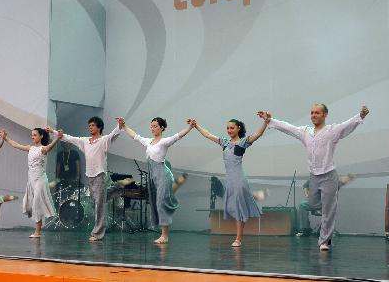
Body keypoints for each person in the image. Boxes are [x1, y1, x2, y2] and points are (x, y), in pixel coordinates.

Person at [259, 104, 369, 251]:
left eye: (317, 113)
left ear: (325, 115)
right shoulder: (306, 132)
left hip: (329, 174)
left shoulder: (332, 131)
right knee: (311, 204)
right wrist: (270, 120)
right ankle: (335, 191)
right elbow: (289, 128)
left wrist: (360, 116)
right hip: (314, 177)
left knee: (328, 210)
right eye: (311, 113)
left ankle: (324, 241)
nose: (313, 115)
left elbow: (346, 126)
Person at [190, 117, 269, 247]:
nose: (229, 130)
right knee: (233, 208)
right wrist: (196, 126)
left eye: (232, 128)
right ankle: (239, 235)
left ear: (238, 128)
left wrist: (266, 121)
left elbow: (258, 134)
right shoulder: (225, 142)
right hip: (230, 180)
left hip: (239, 179)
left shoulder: (243, 142)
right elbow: (208, 135)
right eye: (228, 128)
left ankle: (238, 238)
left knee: (238, 208)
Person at [118, 117, 192, 244]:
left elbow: (178, 135)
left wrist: (190, 127)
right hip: (153, 176)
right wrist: (123, 126)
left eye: (155, 126)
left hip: (163, 175)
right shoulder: (148, 141)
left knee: (160, 203)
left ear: (162, 127)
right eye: (151, 126)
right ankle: (163, 233)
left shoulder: (164, 142)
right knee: (154, 202)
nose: (152, 128)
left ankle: (164, 235)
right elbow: (135, 136)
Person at [48, 117, 121, 242]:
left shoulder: (103, 140)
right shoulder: (85, 141)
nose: (90, 127)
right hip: (90, 175)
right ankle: (115, 190)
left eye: (92, 125)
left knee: (99, 204)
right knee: (96, 200)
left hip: (100, 174)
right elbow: (69, 138)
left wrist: (119, 125)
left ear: (99, 127)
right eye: (89, 125)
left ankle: (97, 233)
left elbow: (113, 135)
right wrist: (55, 133)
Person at [0, 127, 61, 238]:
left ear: (41, 136)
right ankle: (38, 231)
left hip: (40, 180)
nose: (33, 137)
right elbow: (15, 145)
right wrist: (5, 137)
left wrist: (57, 138)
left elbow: (49, 147)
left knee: (37, 203)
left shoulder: (43, 148)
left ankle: (37, 232)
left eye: (35, 135)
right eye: (32, 135)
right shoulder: (30, 148)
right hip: (31, 180)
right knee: (34, 204)